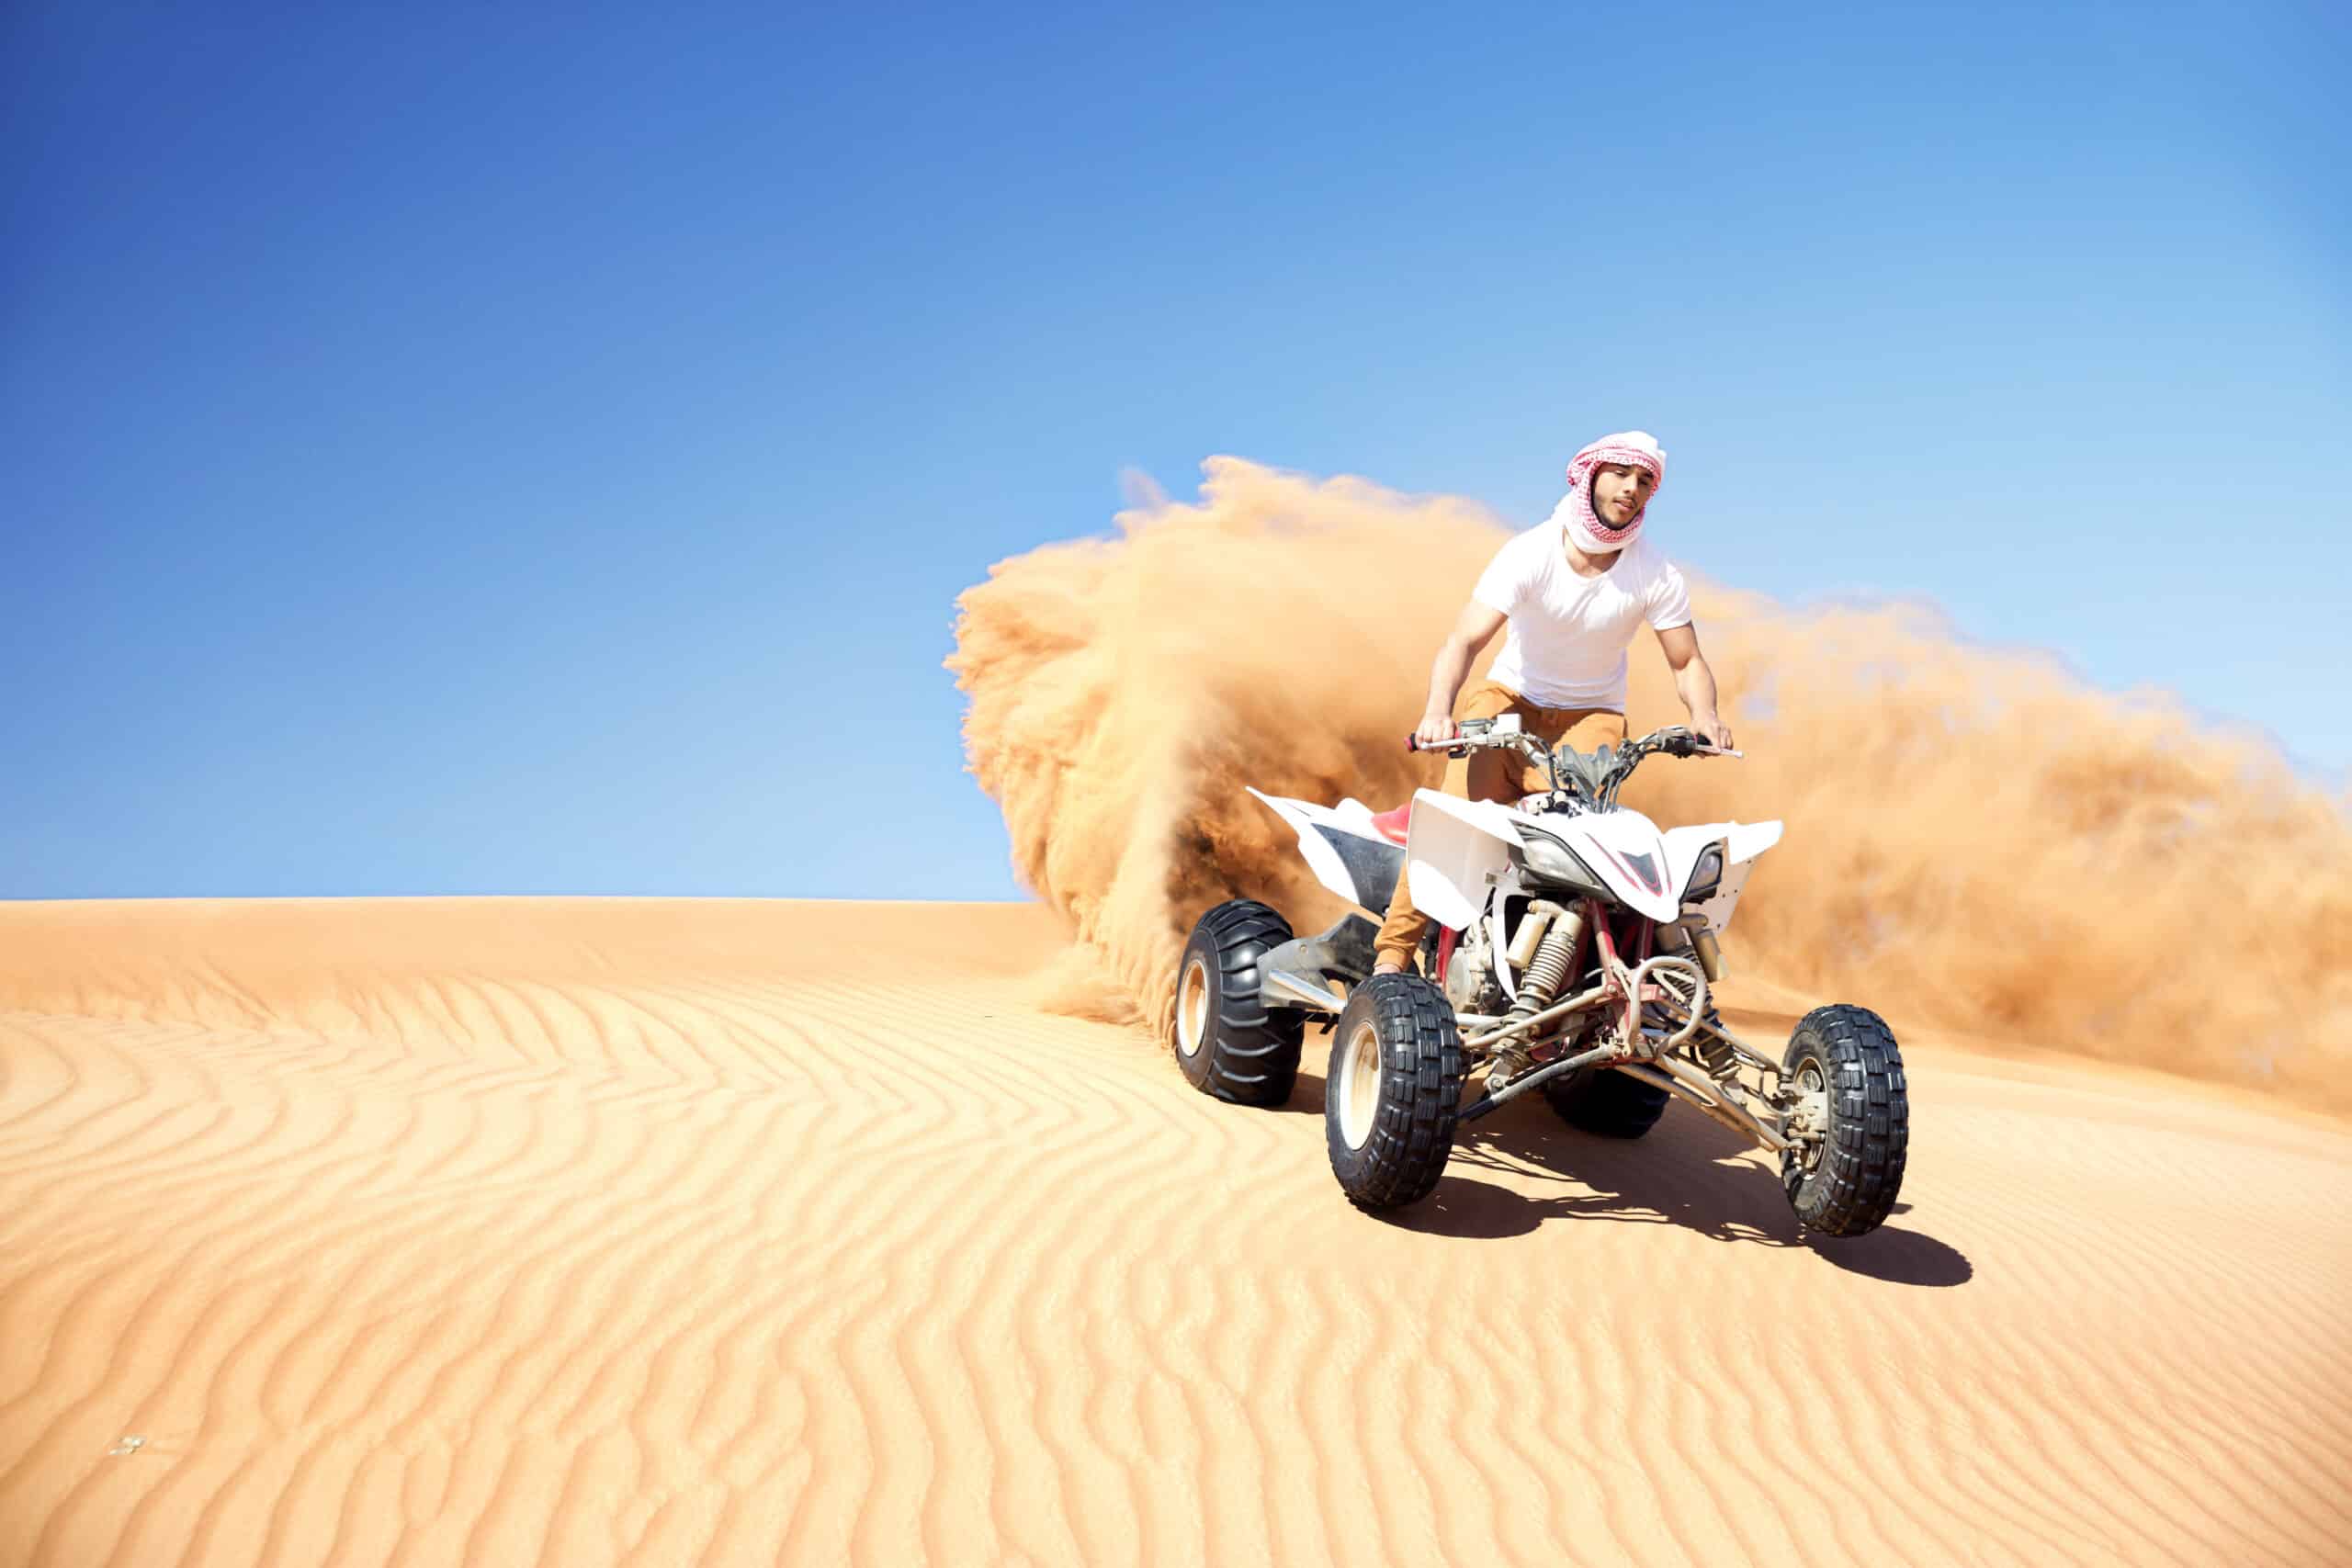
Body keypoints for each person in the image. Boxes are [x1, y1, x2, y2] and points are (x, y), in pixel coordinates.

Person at [1371, 430, 1733, 976]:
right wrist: (1437, 711)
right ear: (1589, 476)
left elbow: (1686, 662)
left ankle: (1575, 974)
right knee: (1456, 819)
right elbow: (1464, 642)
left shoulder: (1655, 573)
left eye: (1644, 482)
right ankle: (1393, 956)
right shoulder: (1530, 553)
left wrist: (1705, 718)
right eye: (1620, 474)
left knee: (1593, 837)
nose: (1631, 489)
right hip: (1510, 699)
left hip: (1593, 716)